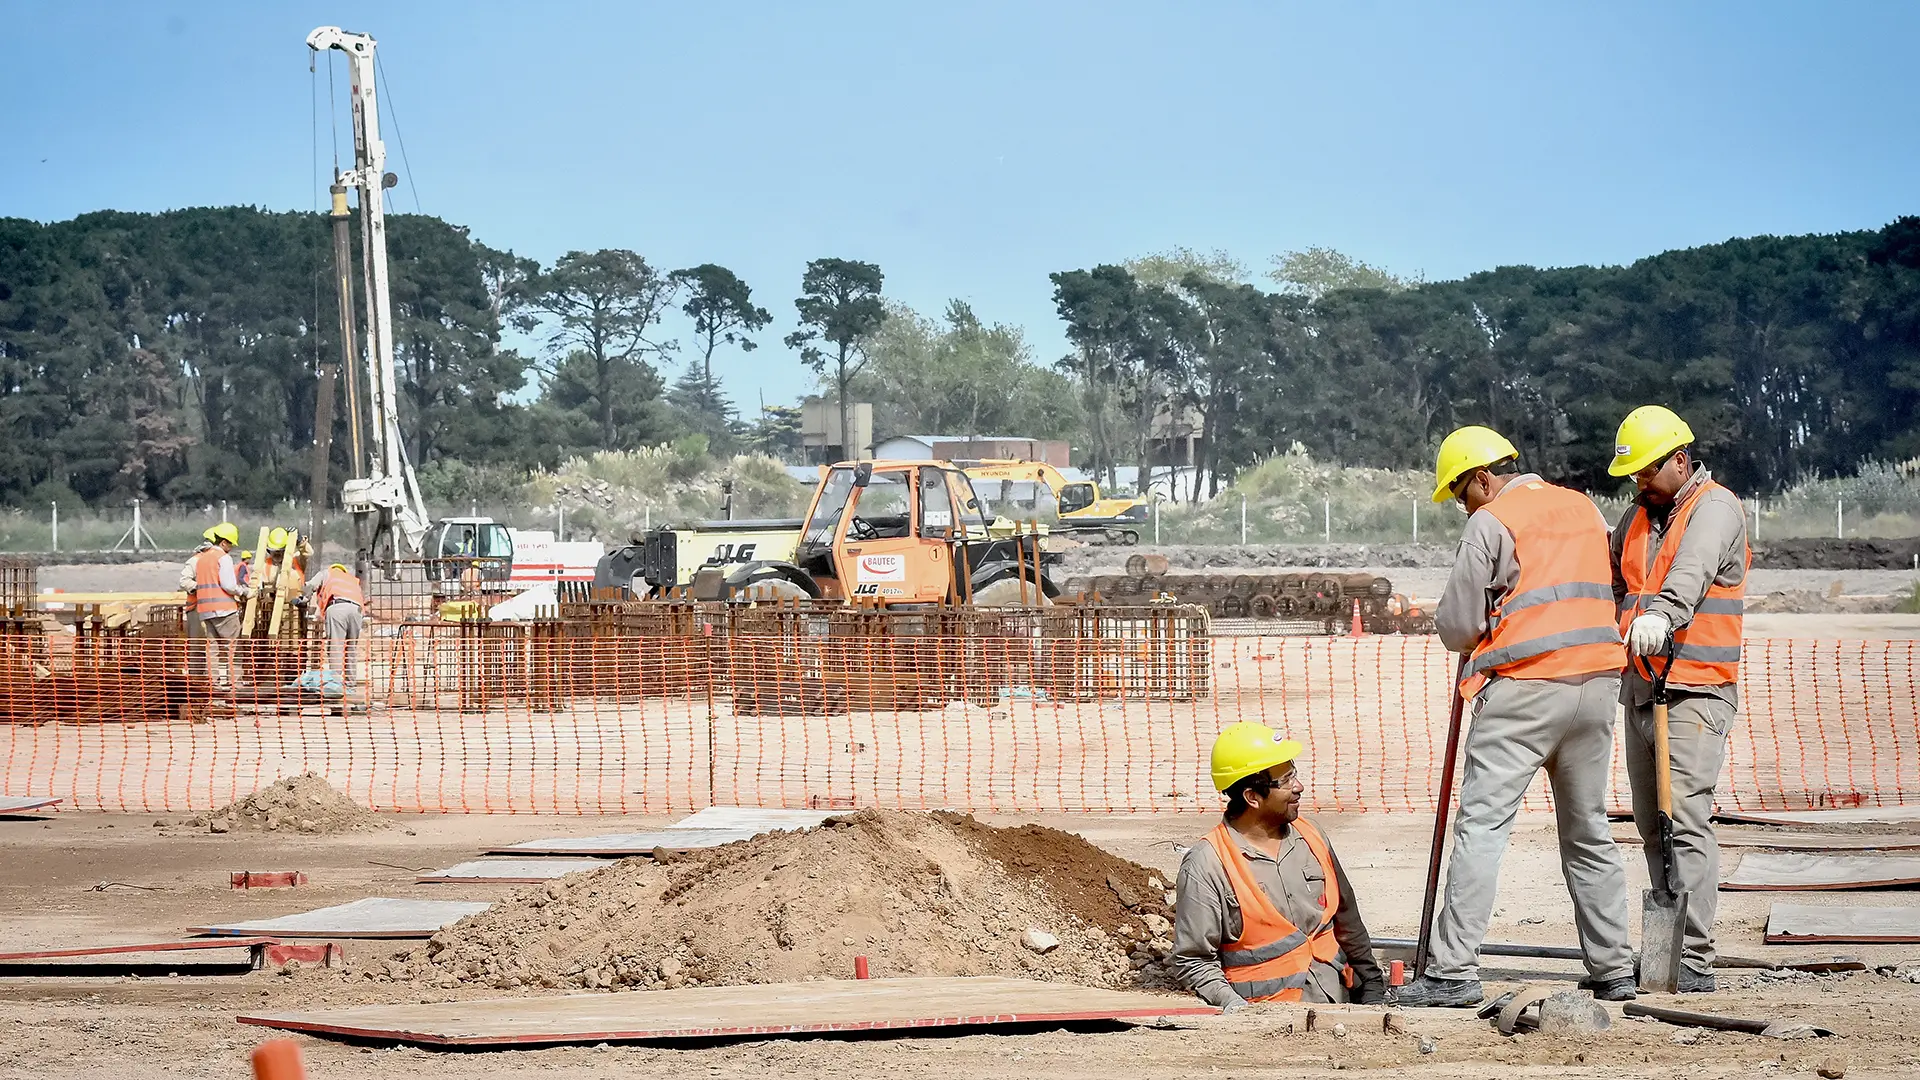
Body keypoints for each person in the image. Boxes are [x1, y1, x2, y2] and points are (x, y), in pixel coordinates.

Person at [1395, 426, 1636, 1008]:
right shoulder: (1582, 507)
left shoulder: (1492, 520)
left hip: (1526, 688)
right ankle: (1614, 969)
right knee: (1588, 829)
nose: (1462, 506)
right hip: (1599, 683)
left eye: (1461, 492)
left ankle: (1452, 974)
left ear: (1483, 477)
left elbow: (1457, 626)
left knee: (1482, 828)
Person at [1608, 406, 1748, 994]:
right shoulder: (1636, 516)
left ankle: (1693, 956)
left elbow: (1687, 576)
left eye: (1645, 471)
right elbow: (1615, 582)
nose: (1638, 482)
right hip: (1642, 686)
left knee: (1686, 817)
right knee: (1649, 823)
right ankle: (1663, 943)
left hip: (1696, 689)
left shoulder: (1715, 508)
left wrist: (1662, 615)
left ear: (1680, 461)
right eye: (1633, 474)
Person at [1171, 721, 1385, 1009]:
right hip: (1268, 1016)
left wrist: (1371, 984)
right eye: (1285, 781)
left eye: (1293, 773)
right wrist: (1236, 1009)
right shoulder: (1207, 864)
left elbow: (1347, 919)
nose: (1298, 787)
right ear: (1252, 797)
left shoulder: (1312, 837)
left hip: (1337, 1005)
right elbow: (1192, 960)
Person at [192, 522, 249, 688]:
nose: (231, 547)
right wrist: (244, 592)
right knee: (234, 647)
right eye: (230, 543)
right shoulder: (223, 558)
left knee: (213, 649)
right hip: (224, 610)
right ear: (223, 542)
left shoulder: (202, 559)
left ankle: (212, 683)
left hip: (205, 611)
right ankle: (235, 683)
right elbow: (229, 586)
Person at [301, 563, 365, 684]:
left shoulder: (326, 573)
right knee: (351, 648)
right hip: (357, 610)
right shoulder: (351, 579)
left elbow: (310, 585)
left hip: (337, 607)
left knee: (336, 646)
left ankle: (335, 683)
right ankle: (350, 684)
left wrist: (303, 600)